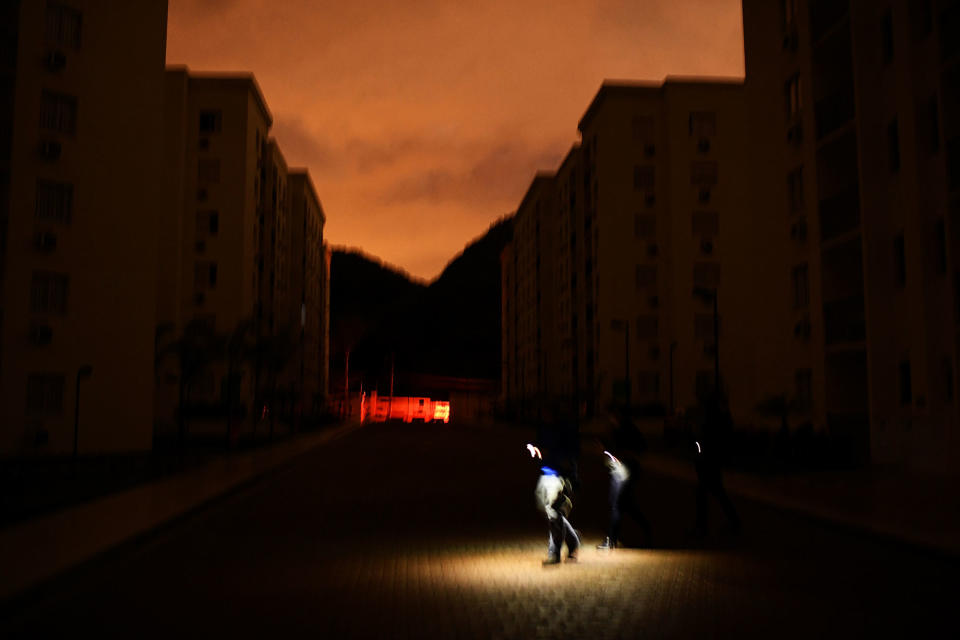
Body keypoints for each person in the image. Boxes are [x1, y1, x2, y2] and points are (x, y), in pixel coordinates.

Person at [692, 398, 741, 537]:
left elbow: (706, 441)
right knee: (716, 492)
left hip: (709, 461)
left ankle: (702, 526)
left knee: (705, 493)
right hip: (712, 461)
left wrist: (700, 453)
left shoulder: (713, 422)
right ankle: (732, 521)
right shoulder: (719, 420)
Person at [528, 444, 581, 565]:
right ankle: (573, 541)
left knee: (552, 512)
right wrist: (538, 450)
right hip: (545, 474)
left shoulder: (563, 429)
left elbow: (569, 452)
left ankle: (554, 553)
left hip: (559, 475)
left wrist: (571, 477)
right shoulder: (545, 429)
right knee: (548, 511)